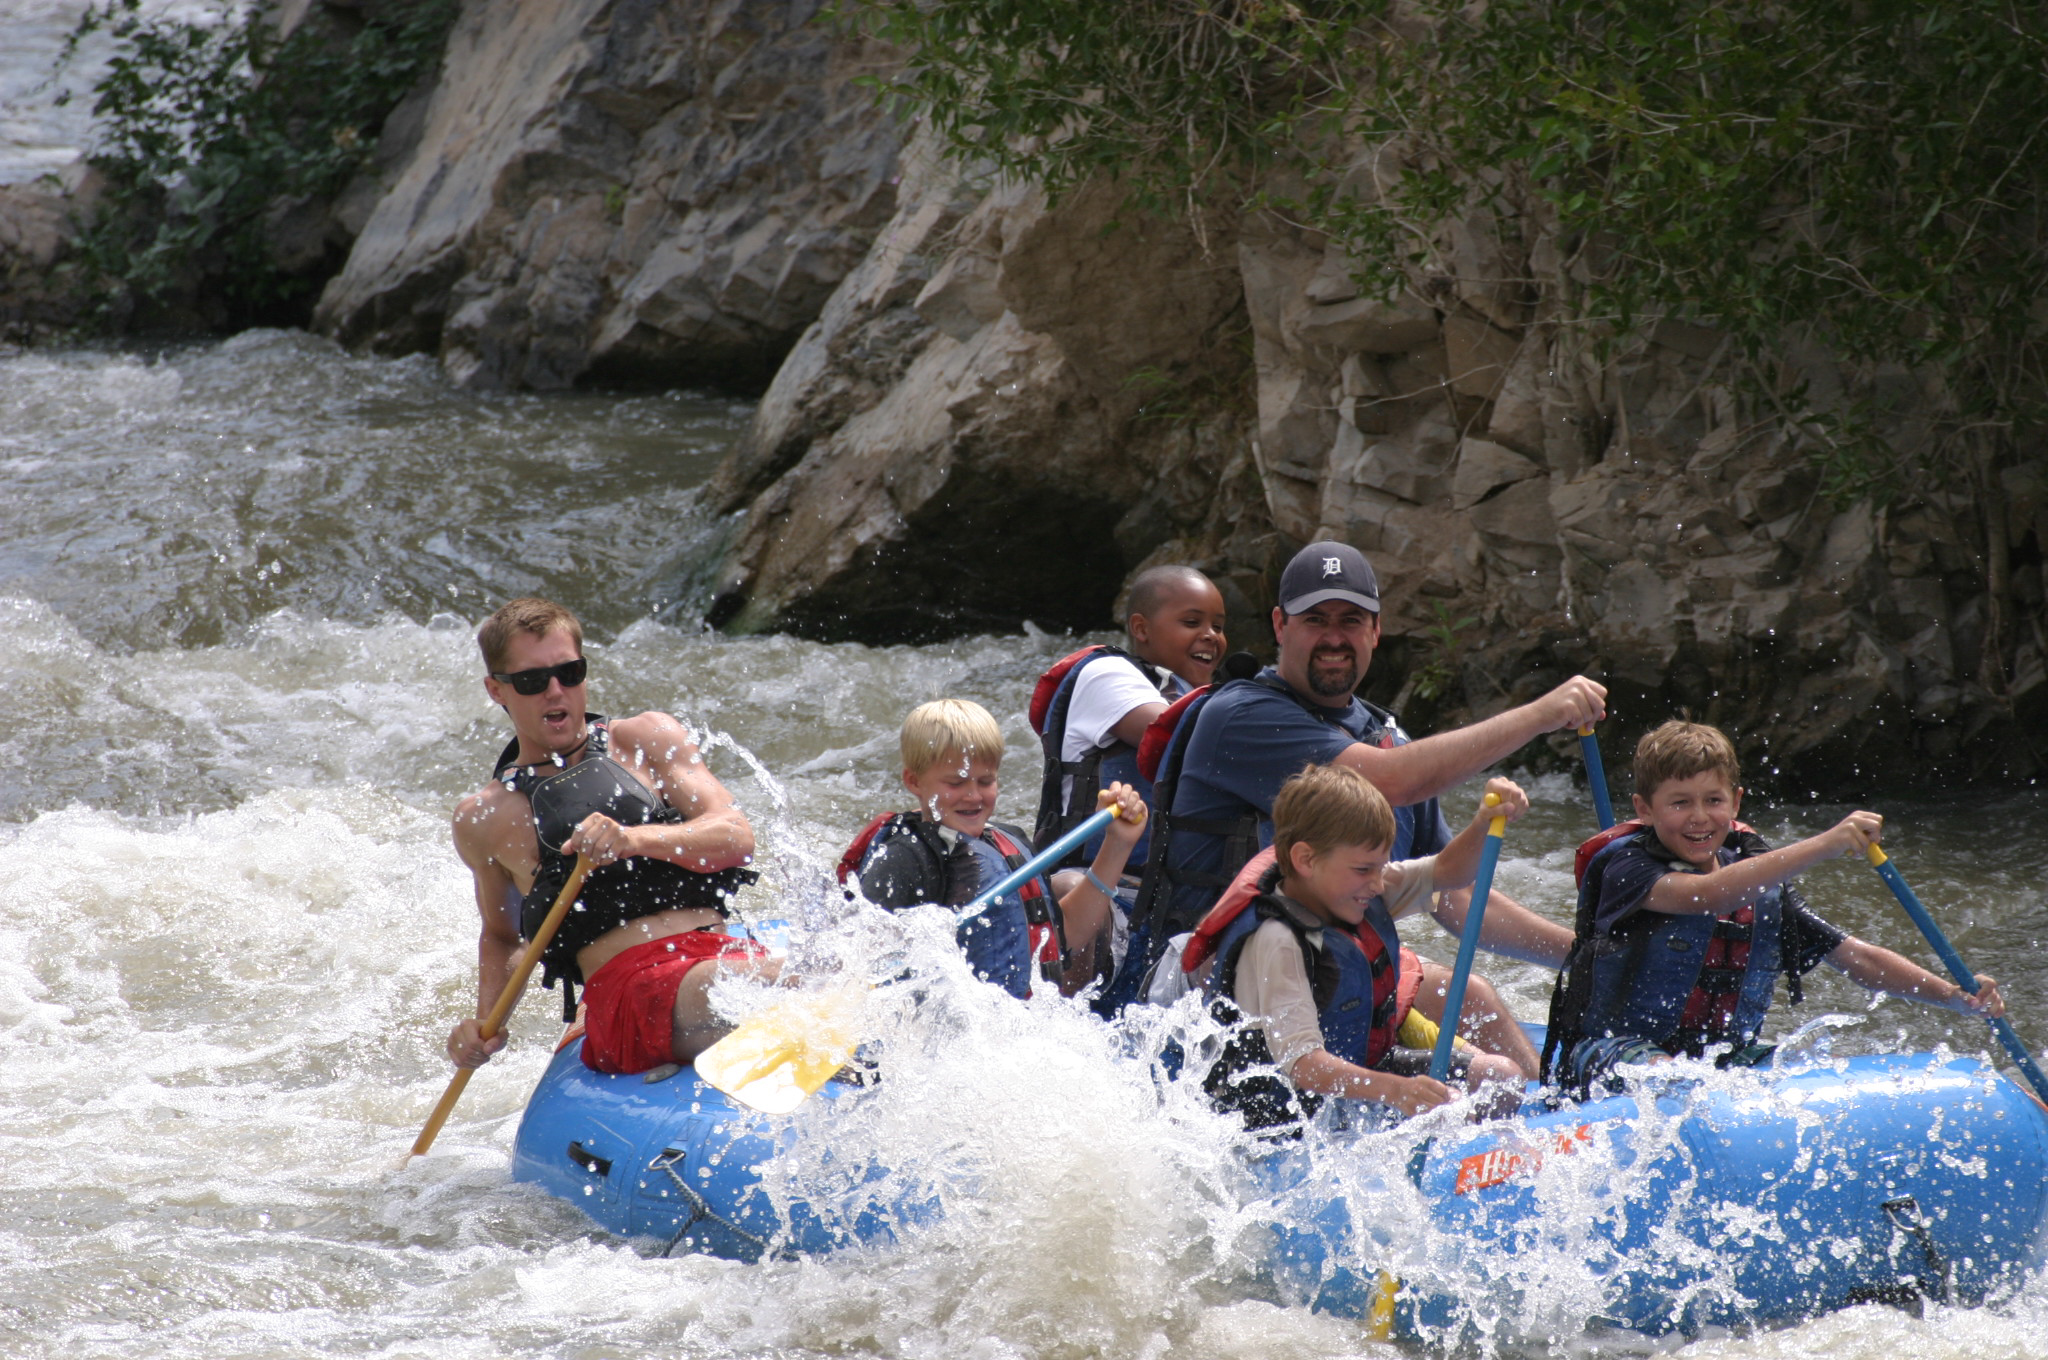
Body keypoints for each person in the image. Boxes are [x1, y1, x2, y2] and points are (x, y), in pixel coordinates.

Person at [1130, 539, 1607, 1072]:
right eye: (1316, 619)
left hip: (1335, 970)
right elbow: (1390, 782)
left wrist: (1586, 953)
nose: (1334, 637)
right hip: (1231, 983)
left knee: (1477, 1000)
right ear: (1280, 626)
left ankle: (1548, 1126)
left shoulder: (1383, 735)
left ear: (1375, 632)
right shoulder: (1241, 716)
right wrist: (1540, 714)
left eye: (1351, 620)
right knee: (1472, 1063)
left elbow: (1454, 892)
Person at [1544, 720, 2005, 1092]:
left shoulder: (1758, 883)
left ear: (1736, 802)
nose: (1700, 816)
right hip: (1609, 1053)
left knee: (1816, 1082)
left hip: (1719, 1058)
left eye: (1713, 800)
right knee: (1671, 1079)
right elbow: (1705, 896)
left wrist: (1955, 997)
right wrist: (1823, 844)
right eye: (1679, 803)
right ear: (1644, 809)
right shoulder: (1630, 869)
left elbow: (1857, 958)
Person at [445, 597, 768, 1077]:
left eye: (570, 673)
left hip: (719, 954)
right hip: (630, 995)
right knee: (809, 983)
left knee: (831, 975)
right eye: (533, 681)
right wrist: (485, 1022)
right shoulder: (485, 817)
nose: (556, 692)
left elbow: (736, 835)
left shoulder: (647, 739)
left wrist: (637, 840)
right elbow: (501, 935)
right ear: (497, 690)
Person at [1203, 765, 1531, 1129]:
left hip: (1366, 1070)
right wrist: (1397, 1091)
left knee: (1501, 1077)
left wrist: (1484, 822)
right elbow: (1304, 1065)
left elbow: (1449, 871)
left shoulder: (1351, 886)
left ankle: (1467, 1165)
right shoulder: (1277, 940)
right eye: (1364, 870)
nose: (1377, 884)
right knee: (1445, 1105)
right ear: (1306, 859)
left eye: (1381, 867)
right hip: (1282, 1112)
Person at [845, 698, 1149, 996]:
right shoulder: (903, 858)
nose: (974, 796)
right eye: (956, 783)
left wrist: (1117, 844)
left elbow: (1065, 938)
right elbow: (854, 962)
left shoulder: (1009, 840)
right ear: (914, 782)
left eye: (986, 781)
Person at [1030, 564, 1227, 865]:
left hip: (1172, 890)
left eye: (1219, 627)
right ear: (1141, 628)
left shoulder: (1207, 697)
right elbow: (1172, 735)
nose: (1211, 635)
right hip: (1095, 885)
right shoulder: (1106, 674)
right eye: (1191, 622)